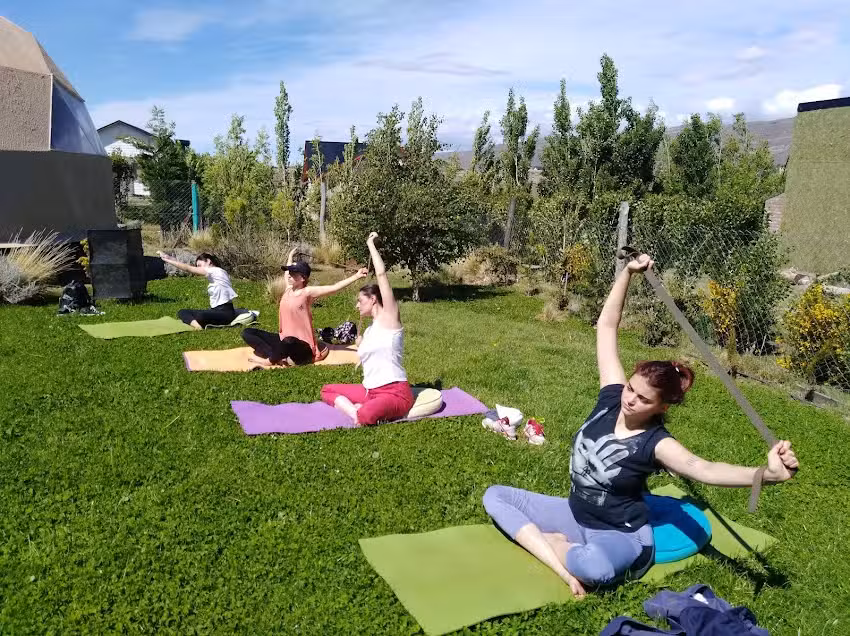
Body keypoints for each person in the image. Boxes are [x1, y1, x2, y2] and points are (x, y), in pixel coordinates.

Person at [482, 253, 799, 599]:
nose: (630, 399)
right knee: (495, 496)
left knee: (596, 570)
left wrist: (767, 475)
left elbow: (703, 469)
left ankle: (563, 555)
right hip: (575, 513)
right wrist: (627, 274)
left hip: (620, 533)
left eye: (643, 399)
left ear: (662, 406)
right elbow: (606, 327)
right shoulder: (610, 398)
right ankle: (559, 556)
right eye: (631, 388)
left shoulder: (654, 442)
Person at [320, 232, 415, 426]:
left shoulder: (390, 319)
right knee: (327, 390)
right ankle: (354, 410)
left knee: (366, 417)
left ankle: (359, 413)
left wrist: (370, 244)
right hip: (370, 391)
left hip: (395, 392)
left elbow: (381, 274)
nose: (357, 306)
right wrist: (361, 346)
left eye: (360, 301)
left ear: (373, 300)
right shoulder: (370, 331)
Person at [241, 247, 368, 367]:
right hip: (284, 340)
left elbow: (334, 288)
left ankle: (270, 360)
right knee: (248, 333)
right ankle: (277, 355)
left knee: (289, 341)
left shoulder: (307, 293)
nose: (289, 275)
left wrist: (356, 276)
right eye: (289, 272)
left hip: (303, 348)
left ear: (302, 278)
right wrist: (290, 256)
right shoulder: (288, 289)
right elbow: (286, 274)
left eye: (293, 273)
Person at [157, 251, 239, 330]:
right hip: (215, 310)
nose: (198, 268)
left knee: (200, 316)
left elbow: (187, 268)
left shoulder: (216, 271)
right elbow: (186, 266)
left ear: (208, 261)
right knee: (182, 312)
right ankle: (197, 326)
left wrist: (166, 260)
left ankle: (197, 324)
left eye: (199, 265)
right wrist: (169, 258)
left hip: (226, 313)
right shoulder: (215, 274)